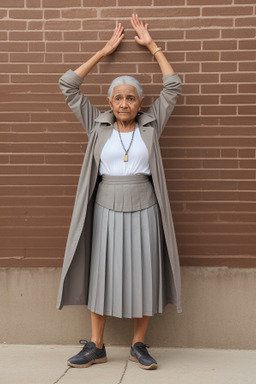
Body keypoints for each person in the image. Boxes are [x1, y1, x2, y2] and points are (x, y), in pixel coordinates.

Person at [57, 14, 182, 371]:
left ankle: (138, 344)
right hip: (106, 208)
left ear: (140, 102)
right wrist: (104, 51)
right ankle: (95, 345)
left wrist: (153, 47)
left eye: (130, 98)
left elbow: (172, 86)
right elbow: (68, 85)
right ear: (109, 103)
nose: (124, 103)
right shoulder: (96, 125)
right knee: (102, 275)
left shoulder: (152, 124)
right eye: (117, 98)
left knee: (143, 272)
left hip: (146, 207)